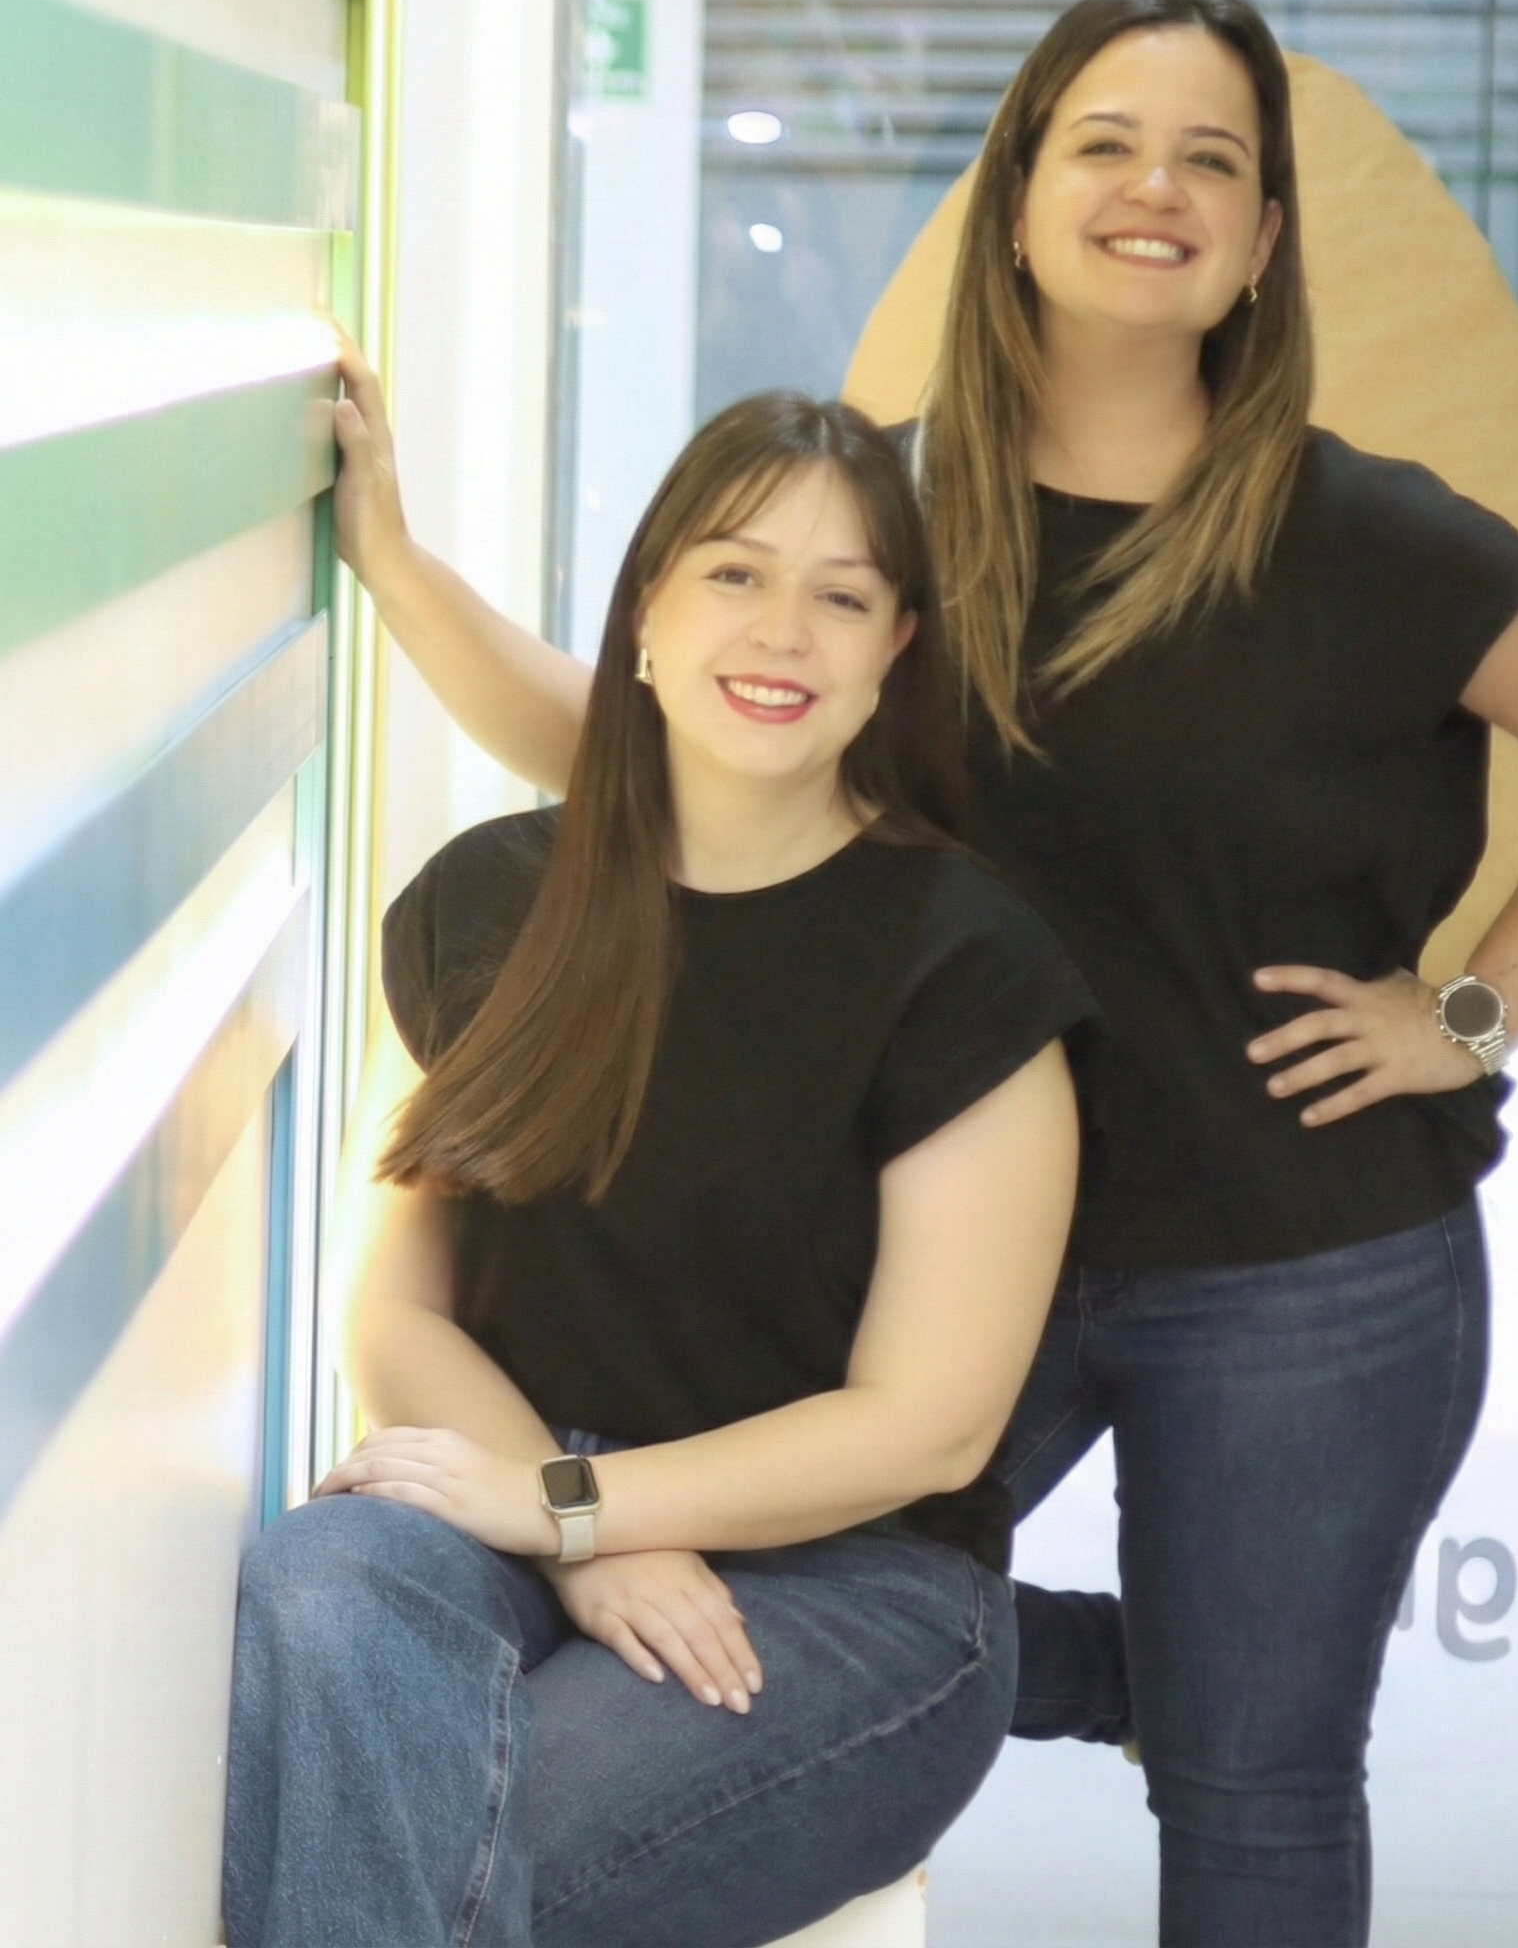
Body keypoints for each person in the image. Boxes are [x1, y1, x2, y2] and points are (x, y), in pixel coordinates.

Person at [325, 0, 1518, 1946]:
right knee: (837, 1601)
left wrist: (1469, 1013)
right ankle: (1078, 1655)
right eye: (1105, 142)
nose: (1154, 188)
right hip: (952, 1240)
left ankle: (1188, 1664)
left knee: (1251, 1777)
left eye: (1210, 161)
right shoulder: (888, 518)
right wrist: (395, 569)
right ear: (1015, 197)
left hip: (1301, 1272)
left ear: (1257, 242)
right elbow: (664, 741)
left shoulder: (1363, 537)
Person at [222, 392, 1096, 1948]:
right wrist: (580, 1537)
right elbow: (397, 1311)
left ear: (894, 652)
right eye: (736, 576)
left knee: (455, 1837)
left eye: (841, 598)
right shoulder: (486, 907)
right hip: (525, 1492)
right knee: (324, 1584)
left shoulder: (963, 964)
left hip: (852, 1592)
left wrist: (582, 1511)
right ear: (643, 620)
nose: (785, 632)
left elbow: (930, 1426)